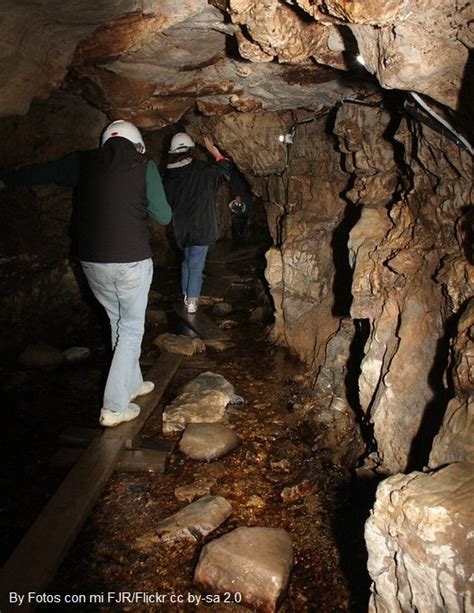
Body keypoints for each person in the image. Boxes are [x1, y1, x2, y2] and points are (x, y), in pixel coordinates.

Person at [0, 120, 172, 427]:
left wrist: (7, 180)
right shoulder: (143, 165)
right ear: (138, 145)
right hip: (131, 261)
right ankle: (114, 407)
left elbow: (46, 171)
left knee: (116, 322)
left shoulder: (83, 162)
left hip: (91, 263)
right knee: (132, 328)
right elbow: (164, 215)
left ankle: (131, 384)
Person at [163, 132, 232, 314]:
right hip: (202, 226)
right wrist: (215, 153)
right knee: (196, 264)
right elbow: (225, 172)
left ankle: (186, 293)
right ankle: (192, 301)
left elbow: (168, 201)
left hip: (181, 228)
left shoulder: (169, 175)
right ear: (191, 150)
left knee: (187, 260)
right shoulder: (202, 169)